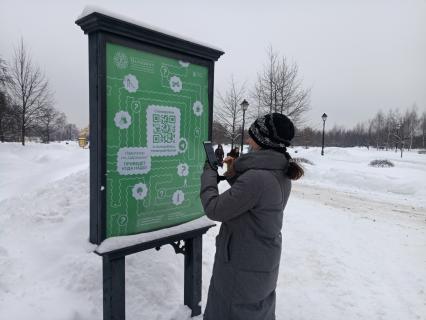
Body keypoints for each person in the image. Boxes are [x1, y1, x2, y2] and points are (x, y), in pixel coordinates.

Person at [200, 113, 303, 320]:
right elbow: (253, 199)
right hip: (261, 261)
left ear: (263, 141)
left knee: (231, 312)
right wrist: (234, 173)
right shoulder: (280, 171)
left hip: (241, 264)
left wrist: (209, 172)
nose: (248, 140)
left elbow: (214, 208)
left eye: (252, 136)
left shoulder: (257, 178)